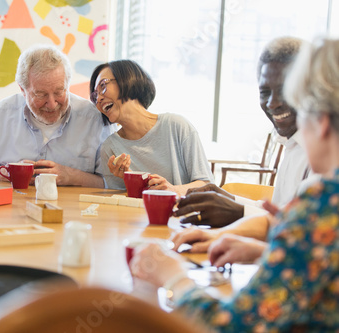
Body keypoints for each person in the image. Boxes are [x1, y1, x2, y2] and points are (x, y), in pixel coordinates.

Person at [131, 37, 339, 332]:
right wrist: (263, 253)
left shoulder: (323, 202)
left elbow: (234, 326)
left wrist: (172, 275)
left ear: (323, 122)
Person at [175, 37, 311, 228]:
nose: (272, 103)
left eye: (284, 90)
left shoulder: (320, 151)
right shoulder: (291, 144)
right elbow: (278, 213)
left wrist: (238, 212)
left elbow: (304, 231)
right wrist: (227, 199)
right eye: (265, 92)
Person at [0, 45, 115, 187]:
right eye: (40, 94)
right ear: (23, 90)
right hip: (13, 209)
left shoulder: (95, 118)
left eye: (59, 92)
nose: (51, 104)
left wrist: (71, 176)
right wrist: (8, 173)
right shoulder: (1, 114)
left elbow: (113, 184)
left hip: (76, 212)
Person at [89, 60, 212, 195]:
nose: (99, 99)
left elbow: (206, 184)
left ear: (128, 80)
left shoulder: (177, 126)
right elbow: (119, 201)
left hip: (183, 214)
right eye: (95, 96)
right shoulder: (110, 148)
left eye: (103, 86)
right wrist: (129, 179)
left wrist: (174, 190)